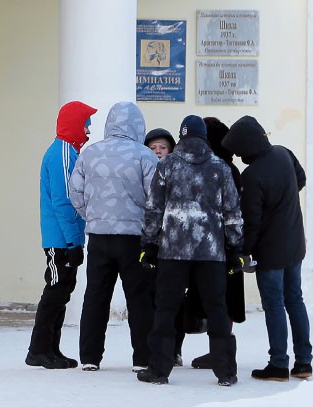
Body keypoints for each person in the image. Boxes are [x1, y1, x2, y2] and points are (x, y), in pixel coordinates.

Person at [137, 115, 245, 386]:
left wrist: (148, 243)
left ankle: (159, 370)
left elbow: (154, 209)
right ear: (205, 138)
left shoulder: (168, 166)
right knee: (217, 309)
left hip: (172, 252)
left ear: (182, 137)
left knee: (166, 309)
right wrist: (235, 247)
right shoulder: (220, 167)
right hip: (211, 252)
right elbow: (232, 211)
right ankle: (226, 372)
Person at [221, 115, 313, 381]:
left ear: (246, 146)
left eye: (238, 151)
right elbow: (301, 179)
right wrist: (283, 203)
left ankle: (279, 364)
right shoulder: (284, 154)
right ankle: (304, 362)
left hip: (270, 253)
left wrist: (243, 252)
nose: (237, 157)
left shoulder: (252, 176)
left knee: (274, 305)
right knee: (295, 300)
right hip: (295, 244)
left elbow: (252, 223)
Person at [69, 101, 158, 372]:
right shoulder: (145, 155)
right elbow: (155, 198)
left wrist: (92, 216)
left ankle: (89, 357)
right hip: (133, 237)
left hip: (98, 236)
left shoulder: (89, 154)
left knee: (95, 295)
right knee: (139, 298)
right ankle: (142, 358)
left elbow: (75, 192)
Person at [26, 100, 97, 369]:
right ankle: (39, 350)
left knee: (62, 292)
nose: (89, 129)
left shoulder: (69, 152)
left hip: (66, 237)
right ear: (74, 123)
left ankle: (51, 349)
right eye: (86, 123)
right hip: (61, 239)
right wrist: (73, 241)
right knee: (55, 291)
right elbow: (64, 200)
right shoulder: (63, 154)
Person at [189, 117, 247, 370]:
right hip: (228, 242)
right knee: (225, 297)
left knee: (219, 298)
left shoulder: (216, 168)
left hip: (215, 244)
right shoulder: (229, 168)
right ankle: (221, 351)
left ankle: (220, 353)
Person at [144, 128, 185, 367]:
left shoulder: (177, 172)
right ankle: (153, 349)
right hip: (150, 247)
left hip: (173, 248)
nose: (158, 152)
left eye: (162, 148)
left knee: (174, 301)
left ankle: (174, 350)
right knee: (150, 301)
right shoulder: (142, 171)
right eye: (153, 148)